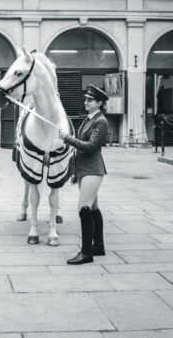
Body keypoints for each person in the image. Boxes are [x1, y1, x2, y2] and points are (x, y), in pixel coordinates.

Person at [58, 84, 109, 265]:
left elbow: (90, 147)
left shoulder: (101, 121)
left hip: (93, 170)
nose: (86, 102)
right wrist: (74, 172)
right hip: (84, 170)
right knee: (93, 208)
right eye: (85, 99)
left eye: (90, 100)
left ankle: (86, 253)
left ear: (99, 103)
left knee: (84, 208)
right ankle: (99, 246)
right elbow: (80, 149)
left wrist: (67, 138)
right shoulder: (90, 119)